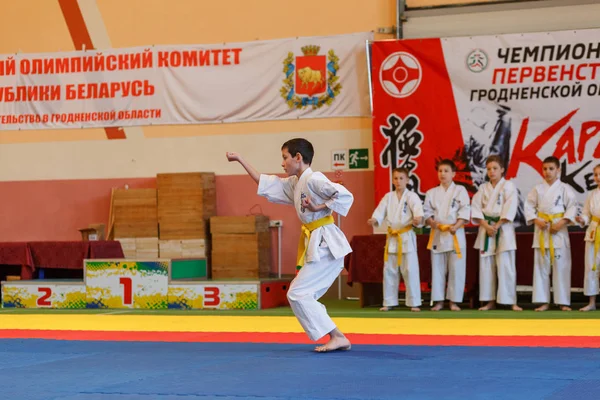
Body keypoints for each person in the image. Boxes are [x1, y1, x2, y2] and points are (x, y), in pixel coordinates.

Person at [226, 138, 354, 352]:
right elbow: (264, 182)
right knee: (300, 294)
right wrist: (240, 159)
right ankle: (337, 336)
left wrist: (317, 207)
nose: (282, 163)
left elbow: (345, 195)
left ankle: (337, 336)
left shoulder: (314, 179)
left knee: (297, 293)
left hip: (326, 243)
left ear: (298, 157)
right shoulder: (296, 182)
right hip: (319, 242)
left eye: (285, 158)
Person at [525, 156, 577, 311]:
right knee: (541, 267)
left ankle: (562, 302)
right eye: (545, 169)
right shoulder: (537, 189)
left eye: (551, 169)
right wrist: (536, 220)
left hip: (559, 231)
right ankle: (543, 301)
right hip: (542, 230)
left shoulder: (565, 188)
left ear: (558, 170)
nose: (547, 172)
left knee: (561, 267)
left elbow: (572, 207)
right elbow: (528, 206)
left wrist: (562, 222)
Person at [368, 168, 424, 312]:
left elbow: (418, 213)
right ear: (392, 180)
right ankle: (389, 301)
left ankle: (414, 302)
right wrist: (375, 219)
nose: (398, 181)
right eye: (396, 178)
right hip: (392, 238)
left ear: (407, 180)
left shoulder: (412, 196)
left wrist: (418, 219)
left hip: (406, 236)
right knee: (389, 271)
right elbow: (380, 212)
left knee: (410, 270)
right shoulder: (388, 197)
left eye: (401, 178)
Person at [471, 155, 522, 311]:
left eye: (495, 168)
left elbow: (510, 207)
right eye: (489, 169)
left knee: (506, 266)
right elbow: (475, 208)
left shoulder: (508, 186)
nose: (491, 172)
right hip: (486, 229)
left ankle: (511, 301)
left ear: (502, 170)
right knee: (487, 267)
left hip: (503, 229)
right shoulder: (482, 188)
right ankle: (490, 301)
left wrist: (497, 225)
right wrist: (486, 226)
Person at [424, 159, 471, 311]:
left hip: (455, 233)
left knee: (456, 269)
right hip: (438, 233)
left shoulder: (460, 191)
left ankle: (454, 301)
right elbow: (427, 213)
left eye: (446, 171)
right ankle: (438, 301)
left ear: (453, 174)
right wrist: (433, 223)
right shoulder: (432, 193)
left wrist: (456, 226)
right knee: (437, 269)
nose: (442, 174)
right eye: (440, 171)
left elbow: (465, 210)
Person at [575, 164, 600, 312]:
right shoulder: (591, 195)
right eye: (596, 174)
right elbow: (586, 213)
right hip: (593, 232)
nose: (598, 177)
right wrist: (582, 220)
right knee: (591, 267)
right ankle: (591, 302)